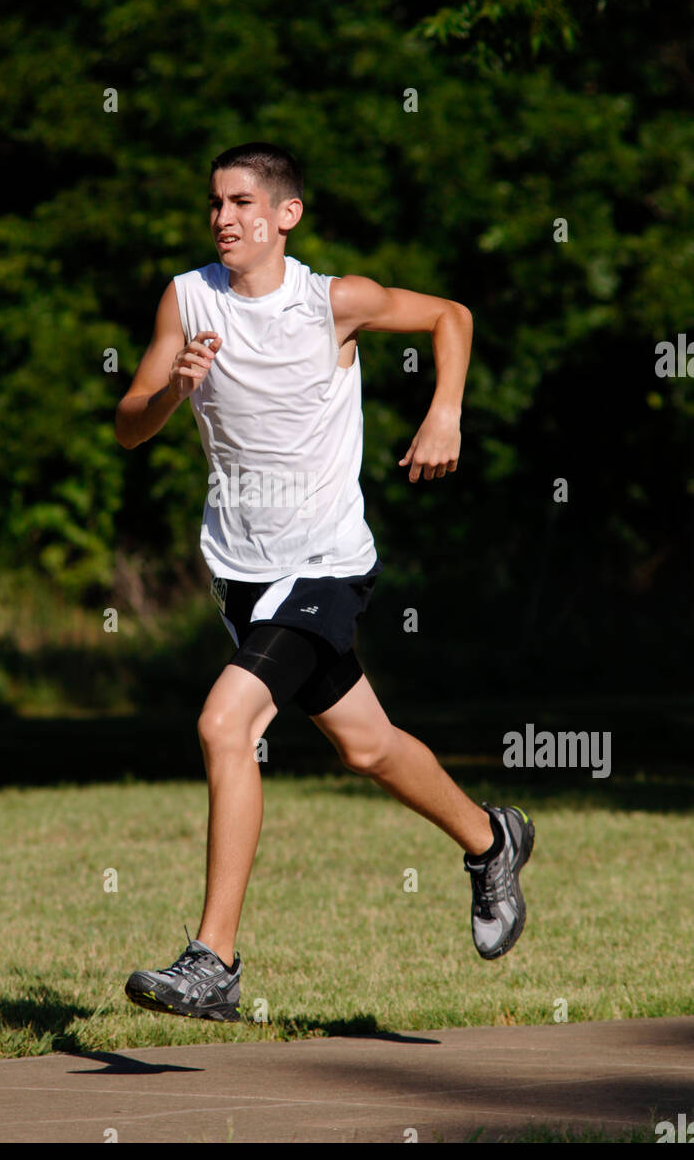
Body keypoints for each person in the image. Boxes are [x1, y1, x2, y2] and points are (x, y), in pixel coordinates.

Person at [115, 142, 534, 1023]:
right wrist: (170, 394)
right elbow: (128, 425)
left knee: (224, 721)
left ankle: (214, 959)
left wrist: (444, 411)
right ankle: (491, 839)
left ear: (284, 215)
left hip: (327, 563)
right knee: (365, 746)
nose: (222, 218)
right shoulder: (186, 299)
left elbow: (450, 316)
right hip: (241, 570)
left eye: (239, 202)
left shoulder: (331, 302)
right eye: (214, 204)